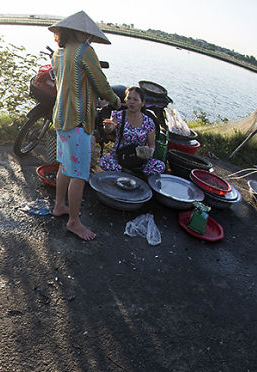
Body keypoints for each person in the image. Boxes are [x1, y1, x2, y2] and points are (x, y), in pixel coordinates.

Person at [49, 12, 121, 241]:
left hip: (61, 117)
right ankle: (74, 222)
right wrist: (114, 99)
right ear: (79, 32)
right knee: (79, 174)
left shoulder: (60, 53)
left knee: (64, 166)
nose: (89, 38)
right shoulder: (83, 51)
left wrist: (94, 96)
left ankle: (59, 206)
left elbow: (74, 84)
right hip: (78, 121)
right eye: (86, 34)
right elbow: (100, 81)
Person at [99, 87, 166, 176]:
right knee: (104, 162)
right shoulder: (118, 115)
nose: (131, 102)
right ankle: (133, 175)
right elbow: (109, 129)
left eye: (135, 99)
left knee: (160, 166)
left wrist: (148, 153)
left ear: (142, 103)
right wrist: (107, 126)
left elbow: (152, 145)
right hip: (120, 157)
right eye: (129, 98)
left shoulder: (149, 122)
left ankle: (129, 173)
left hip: (139, 158)